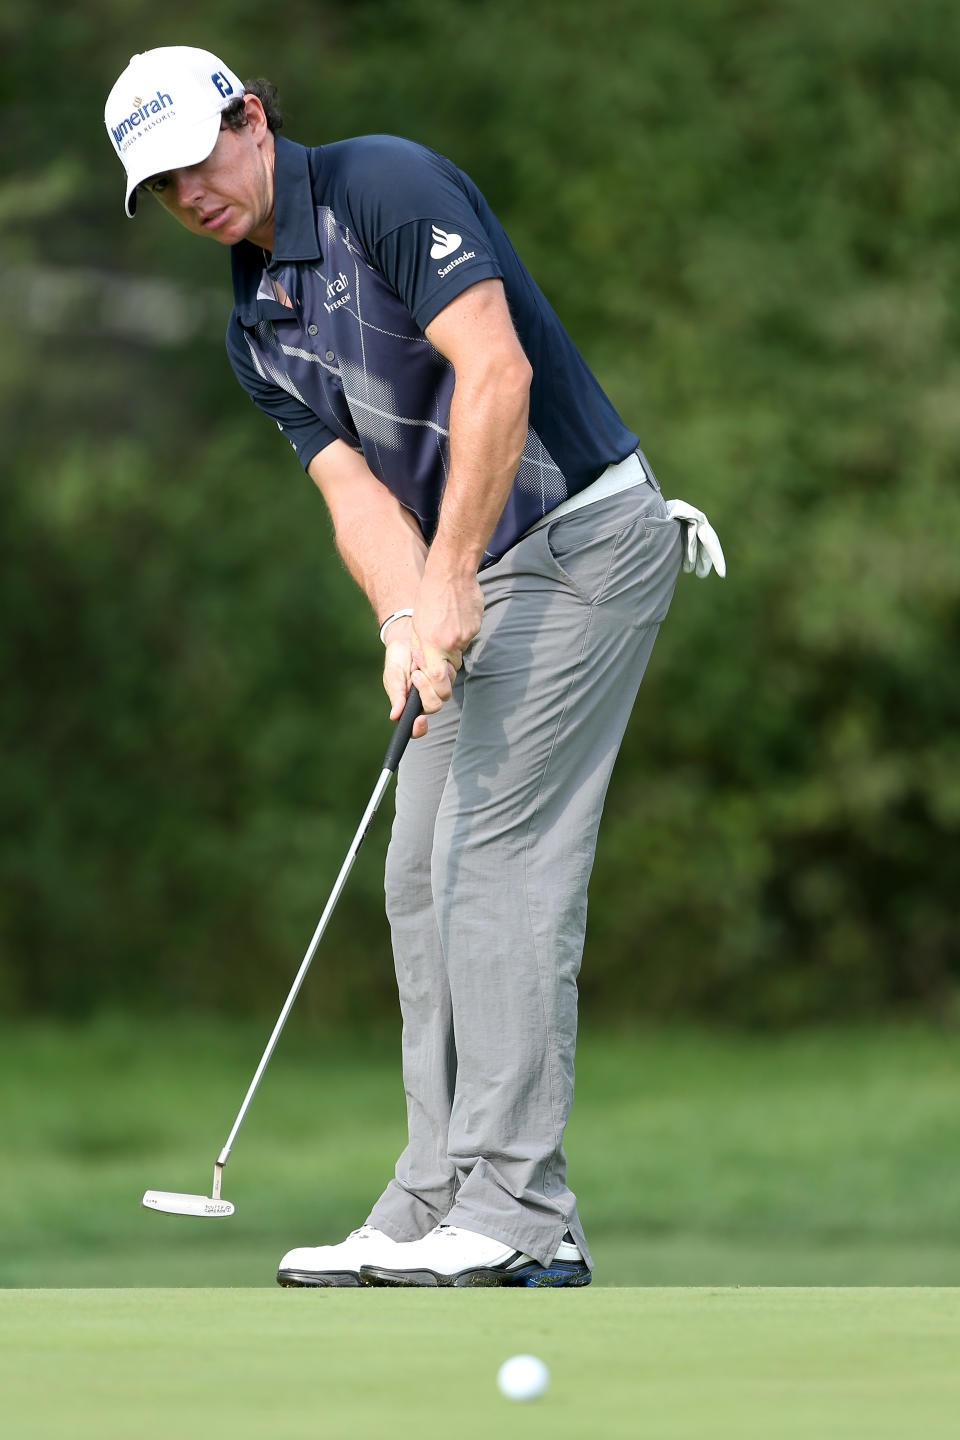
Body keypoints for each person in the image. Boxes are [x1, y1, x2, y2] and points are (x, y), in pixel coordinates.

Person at [105, 46, 724, 1289]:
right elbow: (354, 497)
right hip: (473, 575)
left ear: (252, 119)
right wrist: (405, 619)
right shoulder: (254, 323)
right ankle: (434, 1193)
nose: (189, 197)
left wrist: (448, 585)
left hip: (584, 545)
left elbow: (497, 375)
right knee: (415, 875)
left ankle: (521, 1210)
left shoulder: (381, 187)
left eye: (193, 163)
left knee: (494, 858)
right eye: (160, 189)